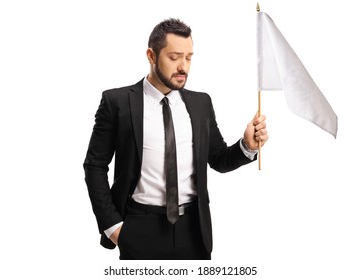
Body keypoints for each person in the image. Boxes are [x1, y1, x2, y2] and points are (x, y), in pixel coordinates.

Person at [83, 18, 268, 260]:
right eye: (174, 57)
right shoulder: (116, 102)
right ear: (151, 55)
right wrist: (114, 228)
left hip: (194, 230)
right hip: (138, 227)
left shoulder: (201, 103)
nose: (184, 66)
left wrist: (246, 146)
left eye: (189, 57)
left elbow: (218, 159)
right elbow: (95, 166)